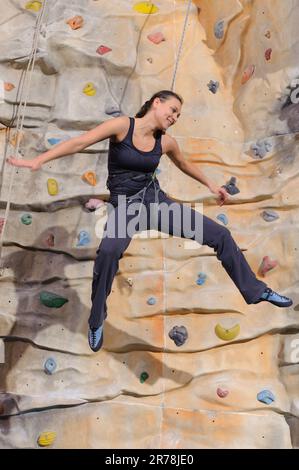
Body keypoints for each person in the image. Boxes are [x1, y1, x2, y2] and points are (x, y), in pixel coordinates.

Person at [7, 90, 293, 352]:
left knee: (220, 235)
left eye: (179, 114)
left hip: (156, 204)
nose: (175, 116)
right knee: (107, 253)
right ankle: (96, 319)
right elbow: (81, 141)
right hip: (125, 209)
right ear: (156, 103)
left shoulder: (165, 141)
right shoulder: (122, 126)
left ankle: (256, 291)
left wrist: (210, 185)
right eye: (172, 109)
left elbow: (183, 163)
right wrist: (38, 161)